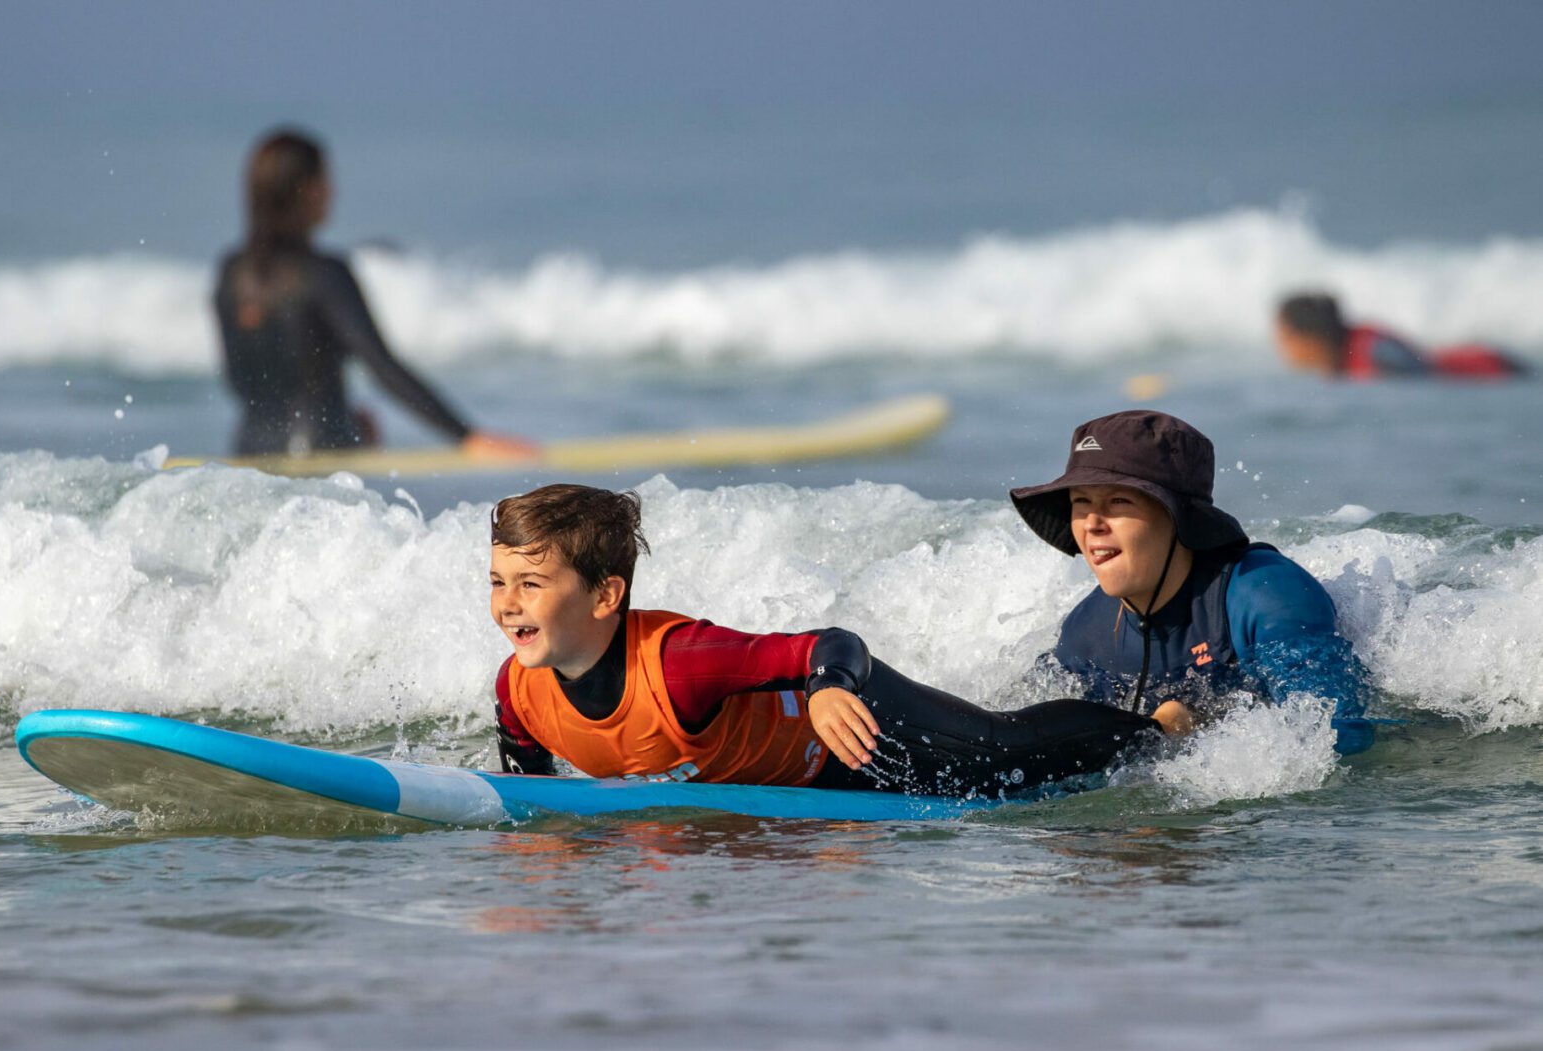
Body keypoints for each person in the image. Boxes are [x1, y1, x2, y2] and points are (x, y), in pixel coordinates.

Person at [489, 484, 1160, 801]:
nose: (507, 604)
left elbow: (829, 644)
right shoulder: (519, 693)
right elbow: (533, 796)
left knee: (1004, 756)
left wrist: (829, 689)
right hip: (797, 789)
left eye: (530, 583)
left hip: (863, 737)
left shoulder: (682, 665)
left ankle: (1159, 729)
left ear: (606, 596)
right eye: (497, 581)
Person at [1010, 410, 1375, 755]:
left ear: (1179, 520)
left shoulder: (1266, 594)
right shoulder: (1085, 631)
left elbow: (1338, 738)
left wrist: (1195, 725)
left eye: (1118, 501)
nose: (1092, 524)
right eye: (1081, 502)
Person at [213, 128, 537, 458]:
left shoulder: (230, 272)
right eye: (326, 180)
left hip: (249, 453)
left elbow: (241, 381)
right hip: (323, 449)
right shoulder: (324, 273)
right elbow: (382, 367)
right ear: (307, 190)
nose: (332, 191)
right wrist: (466, 437)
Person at [1275, 291, 1525, 380]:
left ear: (1309, 338)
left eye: (1285, 337)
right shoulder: (1343, 367)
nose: (1281, 347)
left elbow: (1424, 376)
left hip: (1490, 368)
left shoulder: (1370, 350)